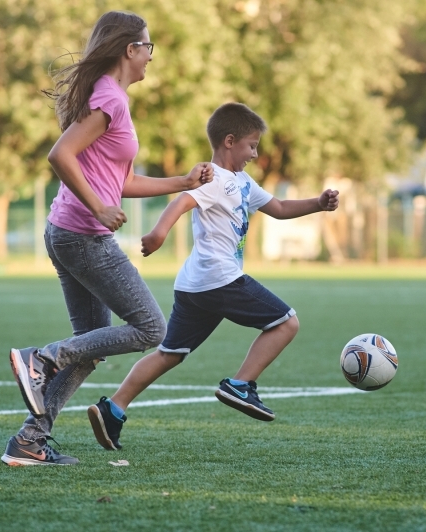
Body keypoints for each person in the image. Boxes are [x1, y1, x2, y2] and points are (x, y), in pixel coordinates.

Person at [1, 11, 214, 466]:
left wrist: (183, 181)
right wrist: (98, 206)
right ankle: (42, 358)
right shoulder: (109, 99)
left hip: (67, 232)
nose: (151, 57)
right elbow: (61, 155)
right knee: (151, 328)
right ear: (129, 49)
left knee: (90, 347)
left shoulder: (112, 96)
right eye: (148, 47)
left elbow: (123, 180)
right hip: (83, 235)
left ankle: (29, 441)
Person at [87, 102, 339, 451]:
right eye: (252, 145)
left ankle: (113, 408)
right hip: (219, 278)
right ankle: (240, 385)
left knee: (171, 353)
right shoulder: (214, 177)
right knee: (286, 323)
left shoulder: (243, 182)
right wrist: (159, 234)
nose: (255, 153)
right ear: (230, 141)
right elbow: (181, 202)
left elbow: (279, 208)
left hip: (194, 285)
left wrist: (318, 203)